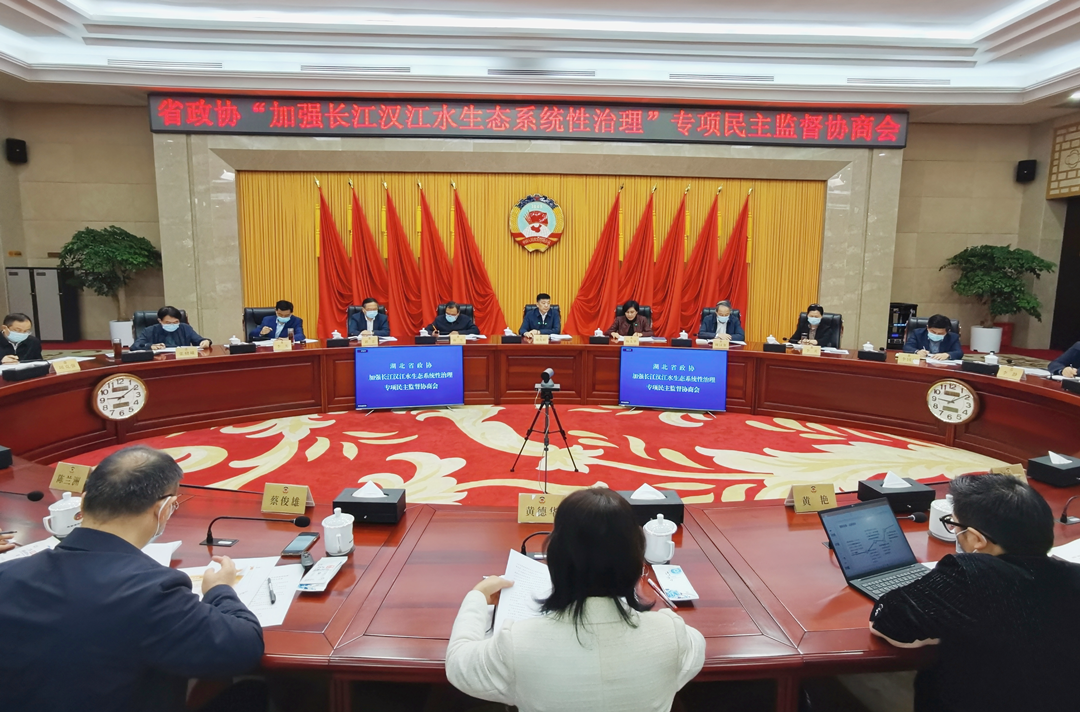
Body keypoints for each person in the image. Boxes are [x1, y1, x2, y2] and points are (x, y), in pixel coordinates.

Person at [0, 445, 265, 712]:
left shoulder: (7, 575)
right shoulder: (152, 591)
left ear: (83, 502)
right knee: (251, 693)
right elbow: (243, 649)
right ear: (164, 509)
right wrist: (220, 590)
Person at [446, 487, 705, 712]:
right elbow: (696, 646)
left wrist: (477, 598)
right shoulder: (673, 635)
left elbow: (459, 664)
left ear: (556, 559)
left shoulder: (517, 643)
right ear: (636, 560)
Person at [869, 473, 1079, 712]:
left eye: (954, 525)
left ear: (977, 539)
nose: (954, 531)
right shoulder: (1072, 575)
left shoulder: (970, 575)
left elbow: (886, 621)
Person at [132, 306, 211, 351]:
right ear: (160, 321)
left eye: (176, 322)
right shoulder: (150, 330)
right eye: (168, 323)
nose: (172, 325)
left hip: (182, 361)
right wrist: (150, 346)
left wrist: (206, 341)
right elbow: (135, 346)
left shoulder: (185, 328)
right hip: (159, 363)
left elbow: (199, 341)